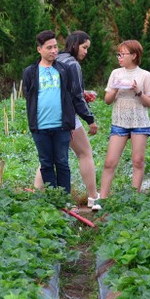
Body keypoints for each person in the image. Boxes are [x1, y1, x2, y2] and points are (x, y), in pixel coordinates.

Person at [22, 31, 93, 195]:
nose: (54, 51)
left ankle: (65, 199)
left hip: (62, 126)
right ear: (39, 49)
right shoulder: (30, 72)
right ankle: (52, 198)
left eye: (55, 47)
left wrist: (89, 118)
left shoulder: (64, 69)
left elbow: (74, 96)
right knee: (46, 163)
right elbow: (29, 97)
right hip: (40, 126)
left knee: (62, 162)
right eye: (49, 48)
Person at [98, 40, 150, 199]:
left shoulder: (145, 75)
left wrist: (138, 91)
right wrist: (115, 87)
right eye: (118, 54)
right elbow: (107, 100)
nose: (119, 57)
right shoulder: (116, 73)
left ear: (134, 55)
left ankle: (133, 198)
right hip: (119, 123)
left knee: (138, 161)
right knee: (110, 162)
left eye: (122, 54)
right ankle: (102, 198)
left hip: (139, 123)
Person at [55, 31, 100, 209]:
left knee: (50, 157)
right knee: (85, 153)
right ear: (74, 45)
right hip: (66, 115)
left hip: (47, 114)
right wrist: (90, 119)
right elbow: (76, 96)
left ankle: (40, 194)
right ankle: (93, 197)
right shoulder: (73, 64)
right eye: (84, 47)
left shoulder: (54, 59)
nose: (86, 52)